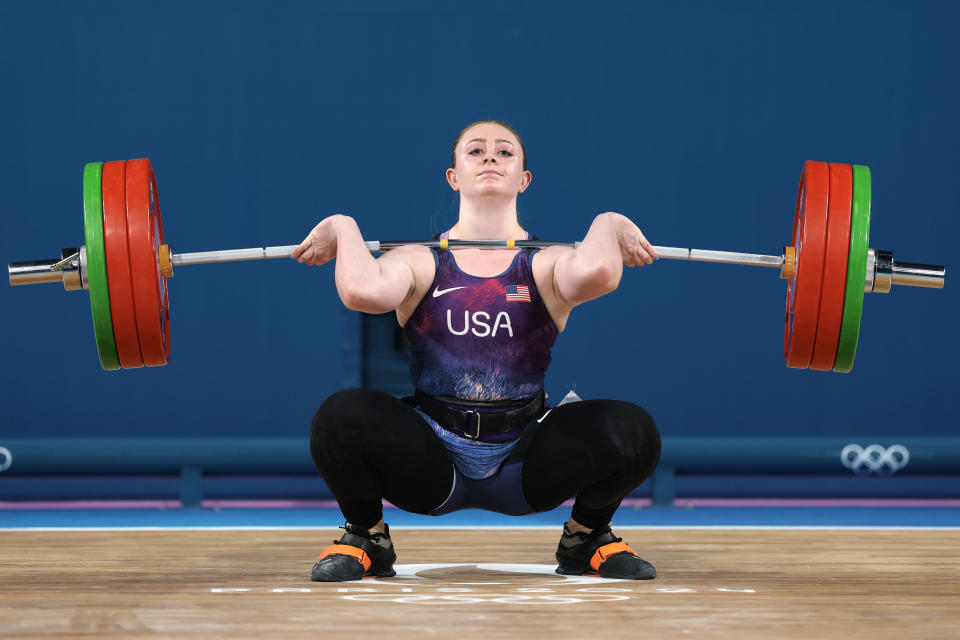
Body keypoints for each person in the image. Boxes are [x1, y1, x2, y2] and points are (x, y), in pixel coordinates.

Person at [293, 120, 662, 582]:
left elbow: (602, 272)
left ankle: (585, 537)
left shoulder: (544, 263)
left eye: (505, 152)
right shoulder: (421, 260)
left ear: (524, 179)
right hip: (431, 459)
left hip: (525, 458)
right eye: (476, 151)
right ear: (454, 176)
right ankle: (367, 536)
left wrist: (609, 222)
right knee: (340, 417)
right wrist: (343, 227)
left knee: (634, 432)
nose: (490, 158)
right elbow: (361, 292)